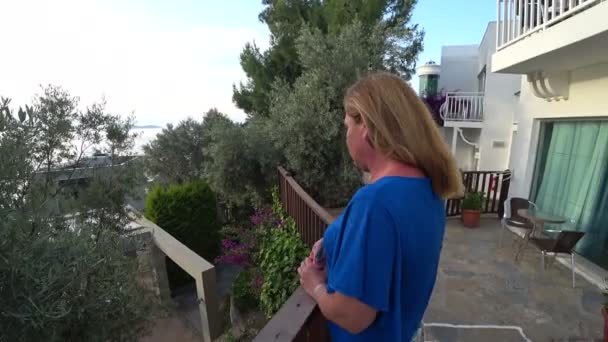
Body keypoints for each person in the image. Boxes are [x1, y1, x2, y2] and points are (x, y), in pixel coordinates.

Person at [297, 72, 463, 341]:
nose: (346, 135)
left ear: (366, 128)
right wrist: (334, 244)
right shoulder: (428, 191)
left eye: (347, 126)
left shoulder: (374, 203)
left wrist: (314, 285)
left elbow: (352, 316)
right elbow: (389, 255)